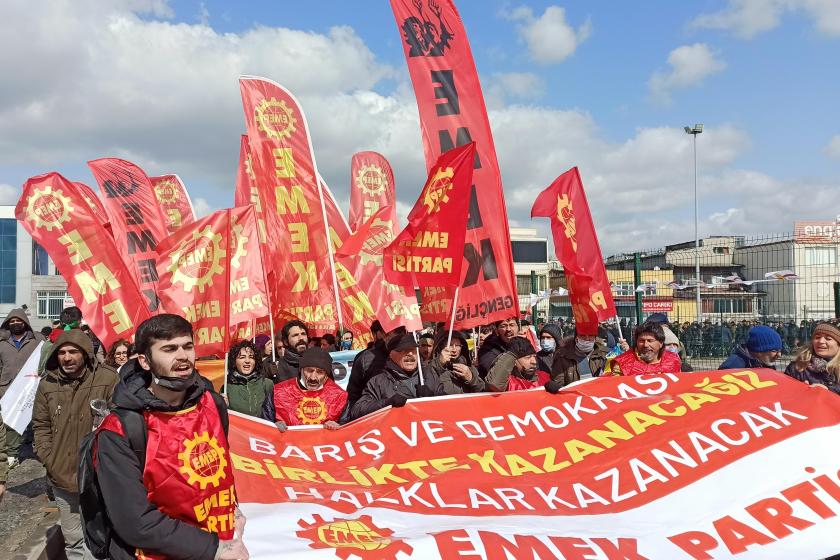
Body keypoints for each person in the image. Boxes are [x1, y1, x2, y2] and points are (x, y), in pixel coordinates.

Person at [93, 314, 247, 560]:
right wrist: (214, 549)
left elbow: (221, 469)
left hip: (220, 543)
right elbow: (135, 522)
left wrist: (234, 509)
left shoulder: (213, 404)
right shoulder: (120, 429)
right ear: (145, 361)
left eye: (187, 346)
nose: (183, 356)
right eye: (169, 349)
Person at [32, 330, 118, 560]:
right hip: (62, 475)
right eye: (61, 352)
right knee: (73, 539)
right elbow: (40, 426)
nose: (66, 357)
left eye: (73, 352)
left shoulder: (108, 379)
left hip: (99, 477)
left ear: (86, 354)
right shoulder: (47, 384)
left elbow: (121, 423)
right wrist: (49, 458)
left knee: (102, 536)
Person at [351, 334, 439, 420]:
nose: (410, 354)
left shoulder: (429, 375)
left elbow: (448, 402)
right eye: (403, 350)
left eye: (413, 350)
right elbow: (357, 410)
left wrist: (433, 398)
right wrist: (387, 403)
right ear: (391, 354)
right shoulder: (378, 381)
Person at [0, 308, 46, 467]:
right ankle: (12, 454)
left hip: (32, 388)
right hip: (8, 387)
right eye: (12, 321)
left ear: (25, 322)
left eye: (18, 320)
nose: (15, 323)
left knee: (37, 420)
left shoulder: (37, 340)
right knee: (11, 421)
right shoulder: (2, 343)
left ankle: (42, 450)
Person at [262, 347, 346, 428]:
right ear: (301, 370)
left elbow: (349, 430)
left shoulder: (339, 396)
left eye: (320, 372)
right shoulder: (279, 392)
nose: (313, 377)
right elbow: (264, 425)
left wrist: (338, 426)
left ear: (326, 375)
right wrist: (273, 426)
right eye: (309, 371)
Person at [345, 321, 404, 410]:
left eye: (399, 332)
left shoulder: (414, 356)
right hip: (374, 415)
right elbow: (353, 394)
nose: (396, 336)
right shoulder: (365, 358)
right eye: (391, 332)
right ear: (381, 335)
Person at [784, 322, 840, 395]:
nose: (821, 341)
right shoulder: (797, 366)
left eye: (828, 339)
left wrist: (830, 391)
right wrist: (799, 389)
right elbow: (784, 393)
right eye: (817, 337)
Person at [610, 322, 682, 376]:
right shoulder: (623, 363)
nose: (646, 345)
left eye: (650, 341)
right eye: (641, 341)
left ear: (661, 343)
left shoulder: (673, 361)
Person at [226, 339, 273, 417]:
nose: (247, 361)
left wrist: (278, 421)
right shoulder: (227, 387)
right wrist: (223, 406)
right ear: (234, 361)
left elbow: (274, 411)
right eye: (242, 357)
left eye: (251, 357)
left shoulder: (267, 384)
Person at [432, 331, 484, 395]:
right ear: (441, 347)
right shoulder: (432, 367)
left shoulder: (469, 367)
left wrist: (471, 379)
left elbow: (483, 390)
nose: (454, 350)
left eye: (457, 345)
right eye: (450, 345)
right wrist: (439, 364)